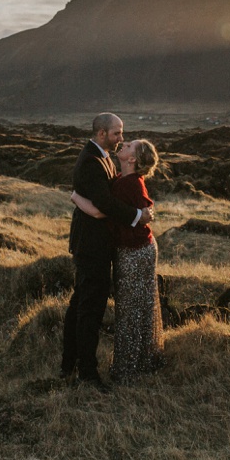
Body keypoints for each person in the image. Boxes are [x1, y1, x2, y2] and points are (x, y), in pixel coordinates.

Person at [60, 112, 150, 392]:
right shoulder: (90, 161)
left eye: (122, 134)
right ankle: (86, 372)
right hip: (92, 248)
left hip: (96, 245)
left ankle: (69, 363)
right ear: (102, 134)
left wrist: (76, 197)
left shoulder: (102, 157)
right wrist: (137, 215)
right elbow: (104, 207)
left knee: (81, 304)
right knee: (90, 308)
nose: (121, 138)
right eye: (117, 134)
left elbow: (104, 203)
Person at [73, 138, 164, 382]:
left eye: (129, 145)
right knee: (132, 307)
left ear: (132, 159)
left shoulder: (129, 185)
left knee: (132, 309)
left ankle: (129, 368)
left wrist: (75, 197)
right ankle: (137, 361)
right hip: (133, 249)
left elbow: (103, 209)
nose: (123, 143)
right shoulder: (121, 179)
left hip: (136, 251)